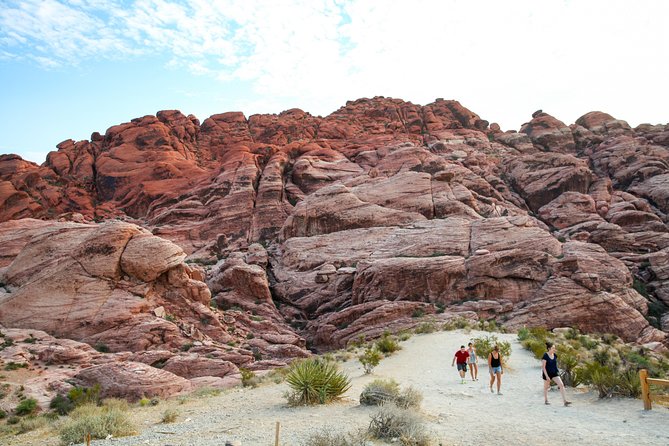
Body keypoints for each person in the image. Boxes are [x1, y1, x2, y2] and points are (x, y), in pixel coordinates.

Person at [542, 342, 571, 406]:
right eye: (553, 348)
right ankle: (546, 400)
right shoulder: (545, 355)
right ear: (549, 348)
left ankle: (565, 401)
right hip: (547, 374)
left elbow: (555, 364)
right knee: (546, 387)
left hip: (554, 373)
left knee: (561, 385)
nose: (554, 349)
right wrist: (547, 376)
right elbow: (543, 367)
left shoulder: (555, 355)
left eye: (554, 348)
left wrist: (557, 371)